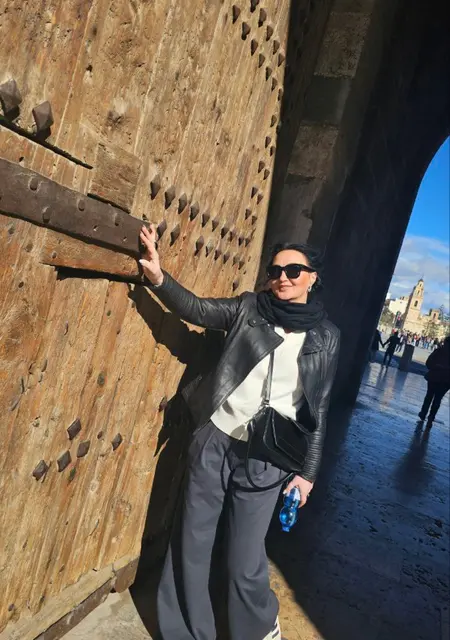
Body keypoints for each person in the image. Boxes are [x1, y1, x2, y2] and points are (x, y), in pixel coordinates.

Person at [139, 224, 340, 640]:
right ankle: (187, 632)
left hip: (269, 456)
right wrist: (158, 276)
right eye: (275, 271)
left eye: (293, 271)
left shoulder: (326, 336)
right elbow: (197, 309)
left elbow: (318, 408)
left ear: (313, 278)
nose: (282, 278)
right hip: (216, 438)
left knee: (243, 560)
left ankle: (259, 626)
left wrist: (307, 473)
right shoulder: (249, 309)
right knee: (192, 543)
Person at [419, 336, 450, 426]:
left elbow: (428, 363)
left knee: (429, 396)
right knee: (438, 399)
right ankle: (431, 417)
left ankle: (423, 413)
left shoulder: (438, 351)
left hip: (434, 377)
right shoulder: (438, 351)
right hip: (446, 381)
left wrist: (436, 367)